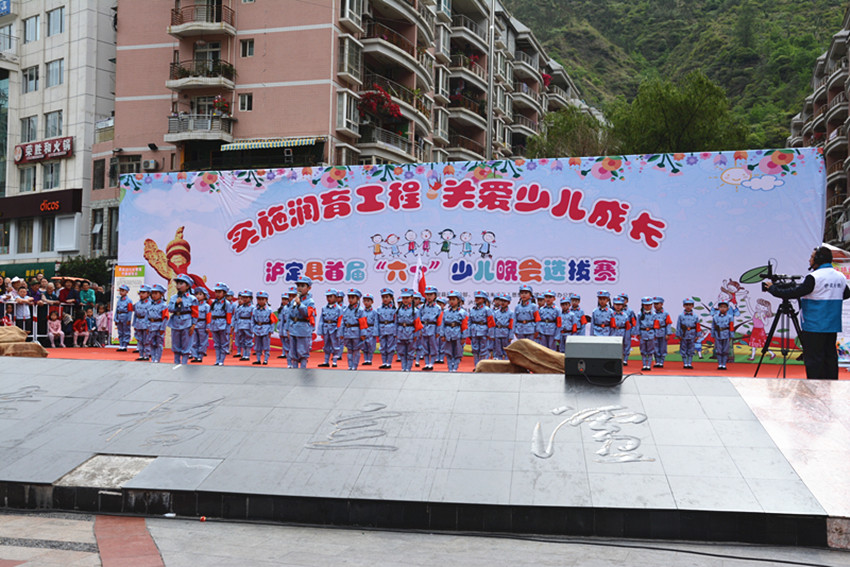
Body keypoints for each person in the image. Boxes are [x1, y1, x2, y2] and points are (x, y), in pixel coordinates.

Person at [765, 245, 850, 379]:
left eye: (812, 257)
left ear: (819, 259)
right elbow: (845, 294)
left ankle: (814, 386)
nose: (809, 260)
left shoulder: (814, 277)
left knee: (814, 360)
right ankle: (831, 385)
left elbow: (793, 293)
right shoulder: (840, 276)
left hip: (814, 325)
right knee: (830, 357)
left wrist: (773, 289)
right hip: (832, 325)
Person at [288, 276, 316, 369]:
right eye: (298, 286)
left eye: (302, 286)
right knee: (293, 352)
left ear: (309, 288)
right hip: (293, 328)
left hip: (303, 329)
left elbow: (307, 314)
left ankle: (303, 369)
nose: (299, 288)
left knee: (302, 351)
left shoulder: (310, 302)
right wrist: (288, 328)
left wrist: (300, 304)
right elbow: (289, 315)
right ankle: (295, 369)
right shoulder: (294, 300)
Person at [440, 290, 468, 372]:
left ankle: (455, 367)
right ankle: (450, 368)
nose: (451, 301)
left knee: (458, 352)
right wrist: (442, 334)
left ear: (458, 300)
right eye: (450, 299)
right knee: (448, 352)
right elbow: (442, 324)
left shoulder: (462, 312)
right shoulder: (446, 312)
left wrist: (464, 337)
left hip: (458, 334)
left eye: (453, 299)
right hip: (448, 333)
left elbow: (464, 325)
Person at [394, 288, 422, 372]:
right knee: (402, 352)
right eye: (403, 298)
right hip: (401, 332)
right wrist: (395, 333)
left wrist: (416, 335)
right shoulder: (398, 310)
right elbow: (396, 323)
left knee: (410, 352)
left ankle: (408, 368)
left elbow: (417, 324)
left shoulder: (415, 311)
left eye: (407, 298)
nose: (405, 300)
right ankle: (403, 367)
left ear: (412, 298)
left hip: (411, 333)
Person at [341, 289, 367, 370]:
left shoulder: (360, 310)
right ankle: (350, 365)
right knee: (349, 350)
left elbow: (363, 323)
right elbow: (342, 322)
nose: (350, 300)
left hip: (356, 332)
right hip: (347, 332)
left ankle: (355, 366)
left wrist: (363, 334)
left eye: (353, 298)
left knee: (356, 350)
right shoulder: (345, 310)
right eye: (349, 298)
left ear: (358, 299)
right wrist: (341, 333)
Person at [208, 282, 233, 366]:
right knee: (216, 344)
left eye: (219, 292)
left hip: (223, 325)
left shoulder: (227, 304)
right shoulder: (214, 303)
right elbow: (211, 315)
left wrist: (228, 329)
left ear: (224, 293)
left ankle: (221, 360)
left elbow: (228, 317)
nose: (217, 294)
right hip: (214, 324)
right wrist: (210, 325)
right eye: (216, 292)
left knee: (224, 344)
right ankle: (217, 360)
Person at [418, 287, 442, 371]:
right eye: (427, 295)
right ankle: (426, 363)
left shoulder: (438, 308)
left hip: (433, 328)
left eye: (431, 294)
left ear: (435, 296)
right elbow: (419, 319)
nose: (428, 297)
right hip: (424, 328)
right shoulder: (422, 307)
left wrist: (438, 331)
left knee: (433, 346)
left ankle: (431, 363)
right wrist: (419, 329)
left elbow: (439, 321)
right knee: (425, 346)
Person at [251, 290, 277, 365]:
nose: (261, 301)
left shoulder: (269, 310)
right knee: (257, 345)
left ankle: (265, 359)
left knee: (266, 346)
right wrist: (253, 330)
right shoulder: (255, 310)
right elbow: (252, 320)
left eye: (263, 299)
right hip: (257, 329)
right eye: (259, 299)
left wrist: (271, 331)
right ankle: (258, 359)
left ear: (266, 300)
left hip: (266, 329)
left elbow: (273, 321)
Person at [468, 290, 494, 364]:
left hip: (484, 332)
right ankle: (477, 365)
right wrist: (469, 333)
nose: (477, 299)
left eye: (479, 298)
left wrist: (490, 334)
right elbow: (469, 322)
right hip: (474, 331)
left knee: (484, 349)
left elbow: (491, 323)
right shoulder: (472, 309)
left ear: (484, 299)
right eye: (476, 298)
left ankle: (483, 365)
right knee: (475, 349)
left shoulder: (487, 310)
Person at [318, 289, 342, 368]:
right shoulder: (324, 308)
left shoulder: (339, 309)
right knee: (326, 345)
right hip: (326, 328)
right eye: (327, 296)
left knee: (335, 345)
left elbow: (340, 321)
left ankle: (334, 362)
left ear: (336, 297)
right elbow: (321, 320)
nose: (328, 298)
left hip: (334, 329)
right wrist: (320, 330)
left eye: (331, 296)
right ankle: (326, 361)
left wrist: (339, 331)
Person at [147, 284, 169, 363]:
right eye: (152, 293)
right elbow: (147, 316)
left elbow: (165, 317)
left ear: (161, 294)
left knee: (159, 343)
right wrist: (147, 325)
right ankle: (153, 358)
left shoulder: (163, 305)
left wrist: (162, 328)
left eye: (156, 293)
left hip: (159, 325)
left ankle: (157, 358)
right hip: (151, 325)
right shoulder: (150, 304)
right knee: (151, 343)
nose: (154, 295)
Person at [676, 298, 701, 369]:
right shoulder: (681, 315)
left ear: (693, 306)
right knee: (683, 349)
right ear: (683, 306)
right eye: (686, 305)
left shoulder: (695, 316)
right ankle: (685, 363)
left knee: (691, 349)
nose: (688, 307)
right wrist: (678, 334)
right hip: (684, 334)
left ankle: (689, 363)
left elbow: (698, 326)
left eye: (690, 305)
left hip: (692, 334)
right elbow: (678, 325)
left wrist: (698, 335)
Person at [711, 300, 735, 371]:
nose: (723, 308)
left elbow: (731, 326)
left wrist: (731, 335)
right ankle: (719, 364)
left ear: (727, 308)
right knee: (718, 350)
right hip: (718, 335)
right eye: (721, 307)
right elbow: (713, 326)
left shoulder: (730, 317)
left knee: (725, 350)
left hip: (726, 335)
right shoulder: (715, 317)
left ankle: (724, 364)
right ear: (718, 308)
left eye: (724, 307)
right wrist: (713, 334)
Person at [376, 288, 397, 369]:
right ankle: (384, 362)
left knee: (390, 347)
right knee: (383, 346)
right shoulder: (379, 309)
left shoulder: (395, 309)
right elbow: (376, 321)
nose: (385, 299)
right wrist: (376, 332)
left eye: (387, 297)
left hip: (391, 329)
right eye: (383, 297)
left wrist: (396, 332)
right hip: (382, 329)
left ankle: (389, 363)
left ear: (391, 298)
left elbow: (396, 321)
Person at [491, 293, 514, 360]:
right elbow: (493, 325)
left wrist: (511, 336)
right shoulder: (496, 313)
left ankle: (506, 364)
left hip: (506, 333)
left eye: (505, 301)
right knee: (498, 351)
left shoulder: (511, 313)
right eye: (501, 301)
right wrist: (492, 335)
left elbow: (511, 325)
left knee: (507, 351)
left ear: (508, 303)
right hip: (497, 333)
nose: (503, 303)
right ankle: (499, 364)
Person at [233, 290, 254, 361]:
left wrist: (252, 327)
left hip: (248, 325)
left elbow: (253, 318)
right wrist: (237, 326)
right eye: (243, 297)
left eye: (246, 297)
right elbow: (237, 317)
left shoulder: (252, 307)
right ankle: (243, 354)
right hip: (241, 324)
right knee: (242, 340)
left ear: (250, 298)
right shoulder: (240, 307)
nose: (244, 299)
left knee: (248, 340)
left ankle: (247, 355)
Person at [610, 297, 632, 365]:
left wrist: (627, 335)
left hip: (622, 331)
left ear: (622, 305)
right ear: (613, 304)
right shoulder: (611, 314)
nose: (618, 306)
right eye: (616, 304)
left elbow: (627, 326)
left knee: (624, 345)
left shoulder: (625, 315)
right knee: (613, 346)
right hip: (613, 331)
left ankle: (624, 359)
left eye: (620, 305)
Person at [191, 287, 211, 363]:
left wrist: (208, 326)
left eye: (200, 294)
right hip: (194, 324)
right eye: (196, 294)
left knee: (203, 341)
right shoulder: (193, 305)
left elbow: (208, 317)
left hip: (202, 324)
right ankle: (195, 356)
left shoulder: (206, 306)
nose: (198, 296)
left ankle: (200, 356)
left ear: (205, 296)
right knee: (194, 341)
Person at [652, 297, 672, 368]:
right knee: (655, 347)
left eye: (657, 304)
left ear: (662, 304)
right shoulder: (652, 313)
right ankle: (657, 361)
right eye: (654, 304)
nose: (656, 305)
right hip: (655, 332)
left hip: (663, 332)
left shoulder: (665, 313)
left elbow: (668, 324)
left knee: (663, 348)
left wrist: (668, 333)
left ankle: (661, 362)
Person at [637, 297, 656, 371]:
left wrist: (656, 334)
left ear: (651, 305)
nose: (647, 306)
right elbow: (637, 325)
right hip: (643, 333)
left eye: (649, 305)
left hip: (651, 333)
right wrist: (638, 334)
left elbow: (656, 325)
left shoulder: (654, 314)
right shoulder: (640, 314)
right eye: (646, 305)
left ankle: (649, 365)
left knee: (650, 350)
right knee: (643, 350)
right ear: (643, 305)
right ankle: (644, 364)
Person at [132, 285, 151, 360]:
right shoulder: (137, 304)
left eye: (143, 293)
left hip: (146, 323)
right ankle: (141, 355)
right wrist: (134, 324)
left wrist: (149, 325)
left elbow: (150, 315)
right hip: (138, 323)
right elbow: (135, 315)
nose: (141, 294)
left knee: (146, 340)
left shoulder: (150, 303)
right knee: (139, 340)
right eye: (140, 293)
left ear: (148, 294)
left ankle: (147, 354)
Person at [114, 284, 134, 351]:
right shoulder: (119, 300)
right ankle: (121, 344)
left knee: (126, 331)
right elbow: (116, 310)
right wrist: (115, 318)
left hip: (125, 316)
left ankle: (125, 345)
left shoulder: (129, 300)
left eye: (123, 291)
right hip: (119, 316)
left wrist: (129, 319)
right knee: (120, 331)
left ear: (127, 292)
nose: (121, 292)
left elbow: (130, 311)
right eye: (120, 290)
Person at [361, 293, 377, 366]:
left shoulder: (374, 312)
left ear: (372, 302)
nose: (366, 303)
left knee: (371, 345)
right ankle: (365, 359)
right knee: (364, 345)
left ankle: (369, 360)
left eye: (368, 301)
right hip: (364, 329)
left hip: (371, 329)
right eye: (365, 301)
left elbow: (376, 322)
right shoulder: (361, 311)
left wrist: (375, 332)